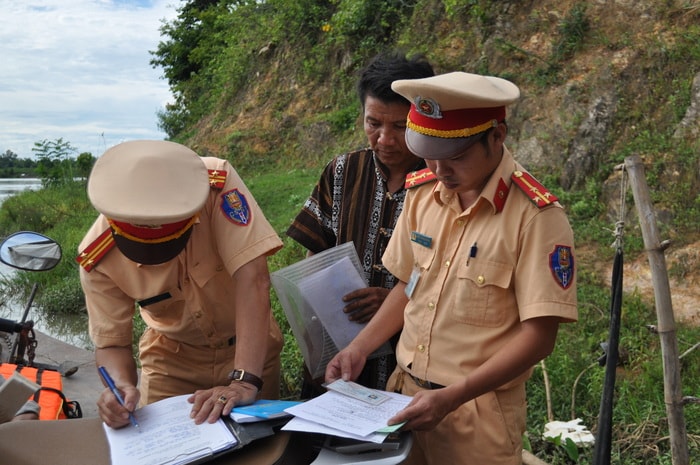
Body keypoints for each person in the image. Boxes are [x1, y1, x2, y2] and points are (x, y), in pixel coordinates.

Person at [325, 71, 578, 464]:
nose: (441, 171)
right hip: (403, 398)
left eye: (456, 157)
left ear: (497, 136)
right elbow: (408, 286)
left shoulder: (536, 217)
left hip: (477, 411)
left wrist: (451, 397)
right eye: (430, 154)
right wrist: (359, 348)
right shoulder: (424, 194)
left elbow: (539, 337)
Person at [77, 140, 284, 427]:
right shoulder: (97, 258)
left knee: (262, 445)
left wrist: (244, 380)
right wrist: (121, 387)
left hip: (249, 348)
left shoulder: (215, 185)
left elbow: (254, 277)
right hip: (171, 362)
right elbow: (112, 344)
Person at [287, 51, 434, 395]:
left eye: (401, 126)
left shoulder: (440, 184)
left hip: (406, 363)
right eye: (373, 123)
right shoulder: (342, 172)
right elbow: (315, 255)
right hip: (336, 354)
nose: (385, 139)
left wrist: (392, 302)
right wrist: (314, 329)